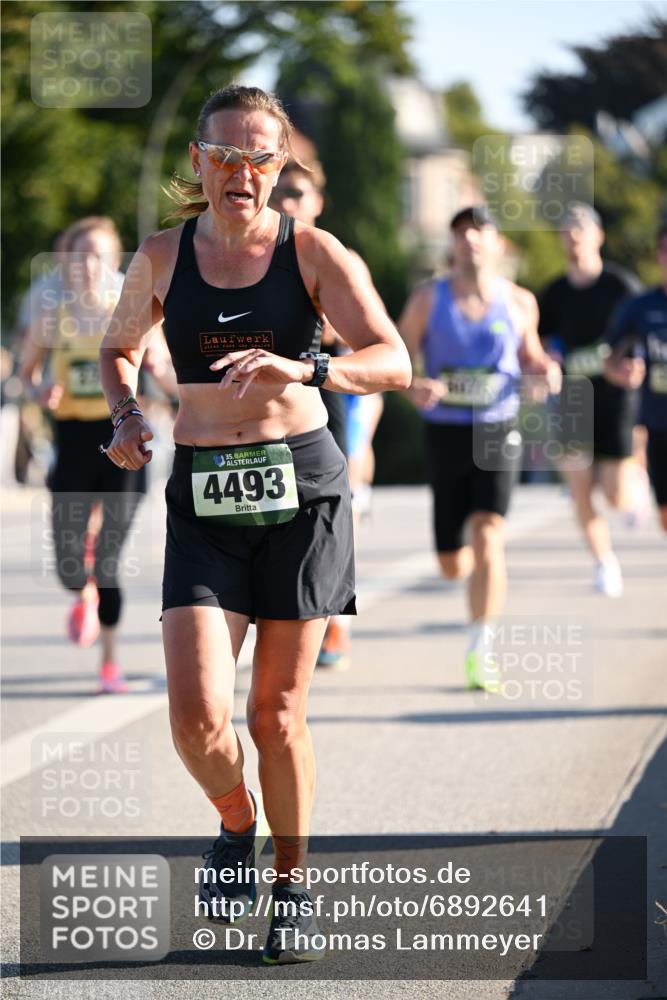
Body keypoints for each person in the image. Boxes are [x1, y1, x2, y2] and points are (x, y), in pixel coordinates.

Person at [98, 85, 410, 964]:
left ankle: (290, 888)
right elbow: (118, 347)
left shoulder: (312, 251)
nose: (242, 173)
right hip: (203, 490)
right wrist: (125, 416)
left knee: (274, 715)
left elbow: (393, 360)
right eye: (225, 156)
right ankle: (235, 824)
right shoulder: (161, 256)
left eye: (259, 158)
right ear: (197, 163)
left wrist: (306, 365)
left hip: (300, 493)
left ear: (281, 168)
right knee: (197, 716)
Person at [398, 205, 560, 691]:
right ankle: (462, 567)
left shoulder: (519, 302)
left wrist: (544, 371)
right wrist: (414, 387)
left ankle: (481, 646)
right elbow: (397, 355)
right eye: (461, 231)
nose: (470, 239)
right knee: (453, 562)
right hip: (445, 429)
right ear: (452, 244)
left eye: (479, 231)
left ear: (497, 243)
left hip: (497, 427)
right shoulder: (428, 298)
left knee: (490, 532)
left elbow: (531, 354)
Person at [19, 216, 145, 693]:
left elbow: (160, 366)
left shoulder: (131, 313)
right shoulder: (52, 316)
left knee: (109, 558)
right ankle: (81, 592)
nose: (89, 265)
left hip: (124, 442)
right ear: (66, 264)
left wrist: (159, 373)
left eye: (99, 255)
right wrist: (40, 390)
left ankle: (109, 664)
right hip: (73, 440)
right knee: (71, 565)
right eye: (80, 256)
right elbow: (27, 375)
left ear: (114, 262)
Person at [269, 158, 385, 671]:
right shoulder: (252, 257)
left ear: (317, 203)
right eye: (281, 194)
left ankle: (336, 619)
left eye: (297, 193)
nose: (287, 202)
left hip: (329, 390)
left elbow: (380, 347)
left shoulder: (340, 258)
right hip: (270, 399)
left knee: (335, 509)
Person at [538, 203, 642, 596]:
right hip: (572, 403)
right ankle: (605, 562)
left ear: (598, 236)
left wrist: (633, 362)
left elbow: (643, 333)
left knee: (616, 495)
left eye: (581, 227)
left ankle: (636, 474)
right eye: (566, 228)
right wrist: (547, 355)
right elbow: (540, 339)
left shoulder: (620, 286)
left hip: (617, 400)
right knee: (579, 487)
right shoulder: (554, 293)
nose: (574, 234)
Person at [604, 222, 667, 532]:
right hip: (658, 423)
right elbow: (610, 361)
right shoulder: (640, 308)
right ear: (659, 255)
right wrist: (622, 372)